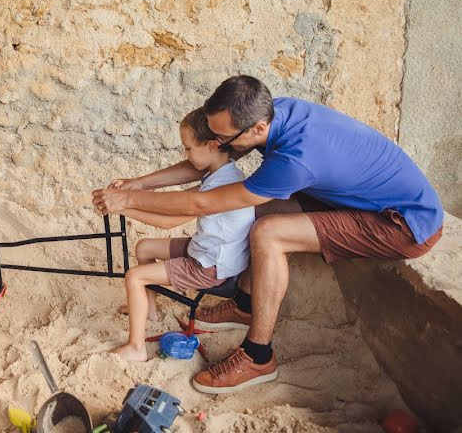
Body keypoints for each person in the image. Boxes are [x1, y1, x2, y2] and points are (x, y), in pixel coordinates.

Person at [92, 75, 443, 393]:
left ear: (256, 129)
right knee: (255, 212)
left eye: (223, 138)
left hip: (403, 224)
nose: (216, 142)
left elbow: (201, 205)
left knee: (268, 232)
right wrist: (139, 184)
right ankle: (245, 306)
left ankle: (258, 356)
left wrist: (128, 200)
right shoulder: (277, 111)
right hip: (359, 199)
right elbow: (208, 158)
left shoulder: (294, 159)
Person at [110, 108, 255, 362]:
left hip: (208, 266)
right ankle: (150, 309)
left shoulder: (222, 186)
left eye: (188, 148)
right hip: (208, 250)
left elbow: (168, 222)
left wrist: (124, 206)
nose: (185, 155)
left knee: (134, 277)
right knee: (144, 247)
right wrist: (131, 189)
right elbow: (174, 204)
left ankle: (136, 347)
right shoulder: (223, 174)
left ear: (211, 146)